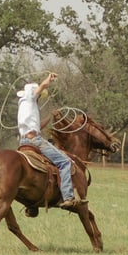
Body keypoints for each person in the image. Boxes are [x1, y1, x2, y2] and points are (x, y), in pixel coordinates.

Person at [17, 72, 86, 209]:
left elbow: (37, 126)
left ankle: (31, 205)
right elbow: (42, 86)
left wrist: (50, 116)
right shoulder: (31, 99)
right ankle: (67, 197)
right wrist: (49, 79)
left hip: (23, 142)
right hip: (34, 140)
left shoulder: (23, 106)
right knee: (65, 162)